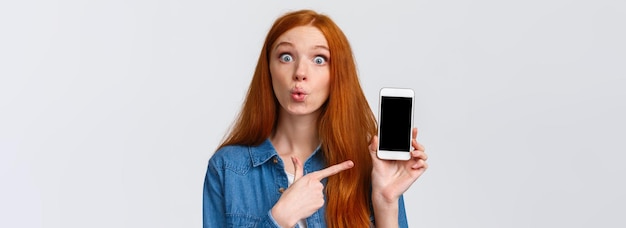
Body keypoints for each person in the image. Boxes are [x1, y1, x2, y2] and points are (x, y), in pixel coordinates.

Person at [203, 9, 428, 228]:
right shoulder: (228, 167)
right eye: (286, 57)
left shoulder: (368, 168)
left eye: (319, 59)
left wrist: (386, 202)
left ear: (337, 75)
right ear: (268, 69)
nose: (300, 71)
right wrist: (279, 218)